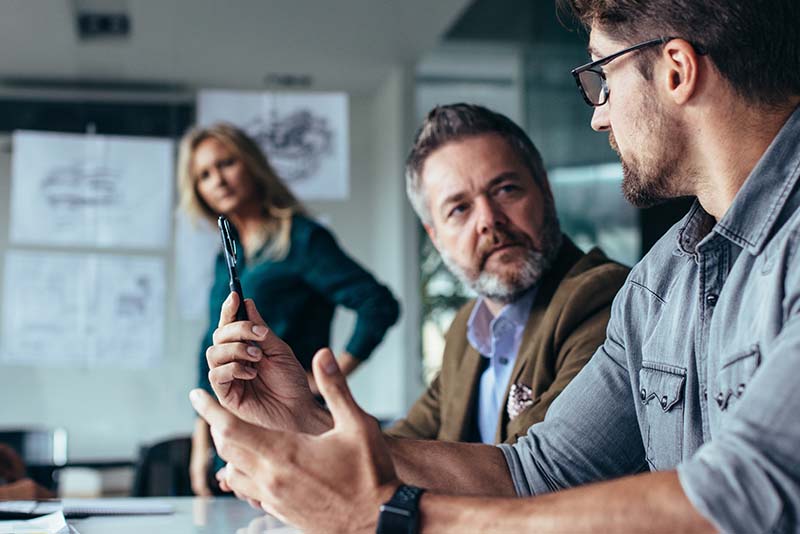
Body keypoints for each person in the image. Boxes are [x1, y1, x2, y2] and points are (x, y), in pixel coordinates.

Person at [190, 0, 800, 530]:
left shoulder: (627, 289)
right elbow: (539, 469)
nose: (599, 114)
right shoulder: (661, 283)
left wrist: (388, 517)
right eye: (457, 208)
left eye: (602, 79)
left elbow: (748, 498)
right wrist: (306, 418)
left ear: (675, 70)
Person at [383, 104, 628, 445]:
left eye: (506, 190)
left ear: (545, 190)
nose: (488, 220)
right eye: (459, 208)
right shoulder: (466, 329)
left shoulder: (603, 298)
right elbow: (403, 444)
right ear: (436, 237)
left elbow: (533, 467)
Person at [176, 123, 400, 496]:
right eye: (203, 175)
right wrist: (202, 441)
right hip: (229, 435)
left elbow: (378, 304)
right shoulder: (226, 258)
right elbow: (210, 347)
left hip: (287, 427)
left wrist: (328, 377)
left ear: (251, 164)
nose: (218, 180)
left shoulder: (302, 239)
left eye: (226, 163)